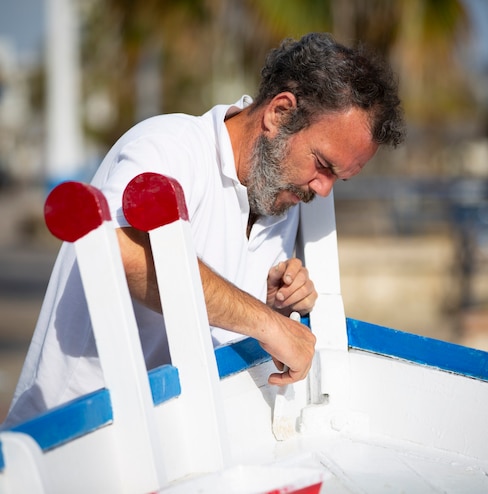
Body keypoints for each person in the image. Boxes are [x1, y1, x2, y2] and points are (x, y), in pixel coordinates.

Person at [4, 32, 405, 426]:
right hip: (73, 438)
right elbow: (118, 253)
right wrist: (268, 325)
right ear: (279, 112)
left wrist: (275, 303)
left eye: (339, 179)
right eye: (323, 164)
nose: (323, 189)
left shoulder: (283, 192)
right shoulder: (169, 146)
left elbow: (222, 309)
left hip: (176, 439)